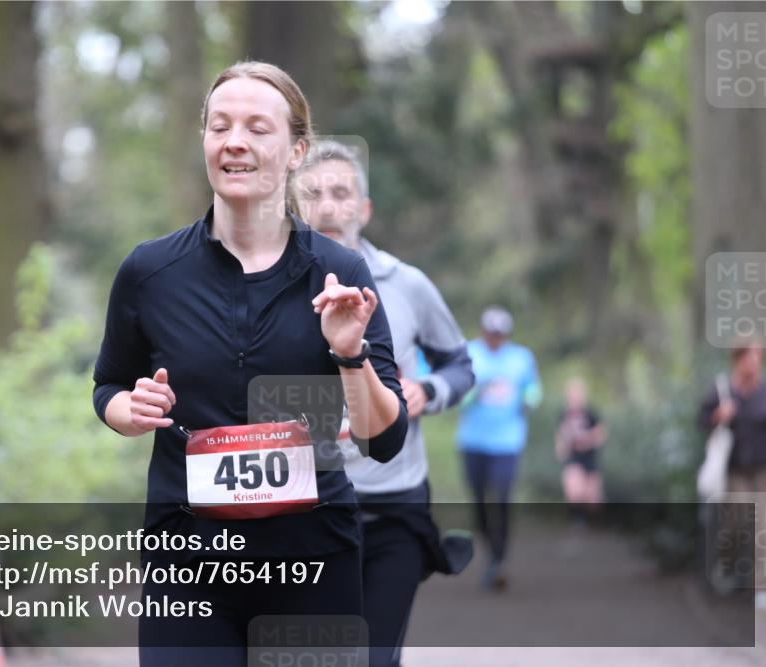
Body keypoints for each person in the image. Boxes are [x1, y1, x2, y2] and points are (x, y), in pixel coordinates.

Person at [92, 62, 409, 665]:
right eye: (220, 126)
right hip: (186, 565)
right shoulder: (149, 273)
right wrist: (124, 410)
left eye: (257, 128)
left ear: (296, 151)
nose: (234, 140)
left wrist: (349, 354)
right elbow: (108, 383)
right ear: (205, 142)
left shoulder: (340, 272)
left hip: (313, 562)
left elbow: (384, 440)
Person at [293, 140, 474, 666]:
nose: (328, 205)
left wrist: (429, 390)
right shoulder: (270, 287)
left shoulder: (406, 283)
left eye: (341, 193)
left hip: (393, 506)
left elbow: (460, 364)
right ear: (296, 207)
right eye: (314, 193)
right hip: (306, 509)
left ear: (364, 209)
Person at [457, 306, 541, 590]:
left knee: (503, 496)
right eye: (492, 334)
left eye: (500, 335)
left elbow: (532, 389)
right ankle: (490, 550)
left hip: (507, 440)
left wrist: (528, 399)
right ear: (483, 332)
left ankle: (500, 558)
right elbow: (459, 394)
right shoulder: (470, 353)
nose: (496, 339)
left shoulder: (521, 358)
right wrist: (478, 391)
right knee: (479, 499)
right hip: (474, 440)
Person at [699, 339, 766, 610]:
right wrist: (719, 415)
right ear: (737, 359)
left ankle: (761, 588)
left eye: (757, 356)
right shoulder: (723, 391)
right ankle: (725, 562)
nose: (752, 361)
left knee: (765, 527)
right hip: (736, 469)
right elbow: (701, 422)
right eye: (748, 356)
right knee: (739, 517)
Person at [555, 377, 607, 520]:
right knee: (574, 491)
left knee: (593, 500)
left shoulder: (591, 413)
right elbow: (560, 436)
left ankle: (594, 521)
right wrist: (561, 448)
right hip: (573, 458)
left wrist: (587, 440)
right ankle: (577, 521)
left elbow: (601, 435)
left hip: (590, 459)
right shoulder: (563, 414)